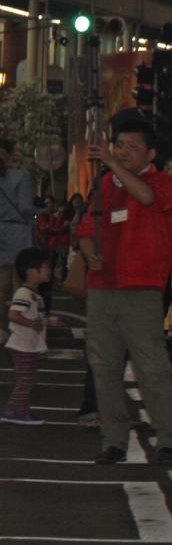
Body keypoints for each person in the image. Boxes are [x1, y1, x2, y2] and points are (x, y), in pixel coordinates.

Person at [77, 120, 172, 465]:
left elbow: (147, 197)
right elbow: (85, 227)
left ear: (151, 154)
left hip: (140, 287)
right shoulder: (106, 184)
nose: (122, 151)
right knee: (104, 367)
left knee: (150, 366)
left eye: (131, 147)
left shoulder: (161, 181)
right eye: (119, 144)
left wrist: (111, 162)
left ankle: (167, 437)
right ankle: (114, 439)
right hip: (103, 287)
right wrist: (88, 248)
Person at [2, 248, 50, 425]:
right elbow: (13, 314)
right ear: (32, 272)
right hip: (22, 345)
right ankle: (16, 411)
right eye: (45, 267)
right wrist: (33, 324)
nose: (49, 271)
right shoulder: (24, 294)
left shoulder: (35, 295)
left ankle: (15, 410)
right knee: (26, 380)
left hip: (30, 345)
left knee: (28, 379)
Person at [0, 142, 43, 341]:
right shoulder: (21, 177)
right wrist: (43, 212)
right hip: (17, 231)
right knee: (21, 282)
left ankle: (0, 328)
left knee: (2, 284)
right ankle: (21, 329)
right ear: (9, 156)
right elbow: (25, 208)